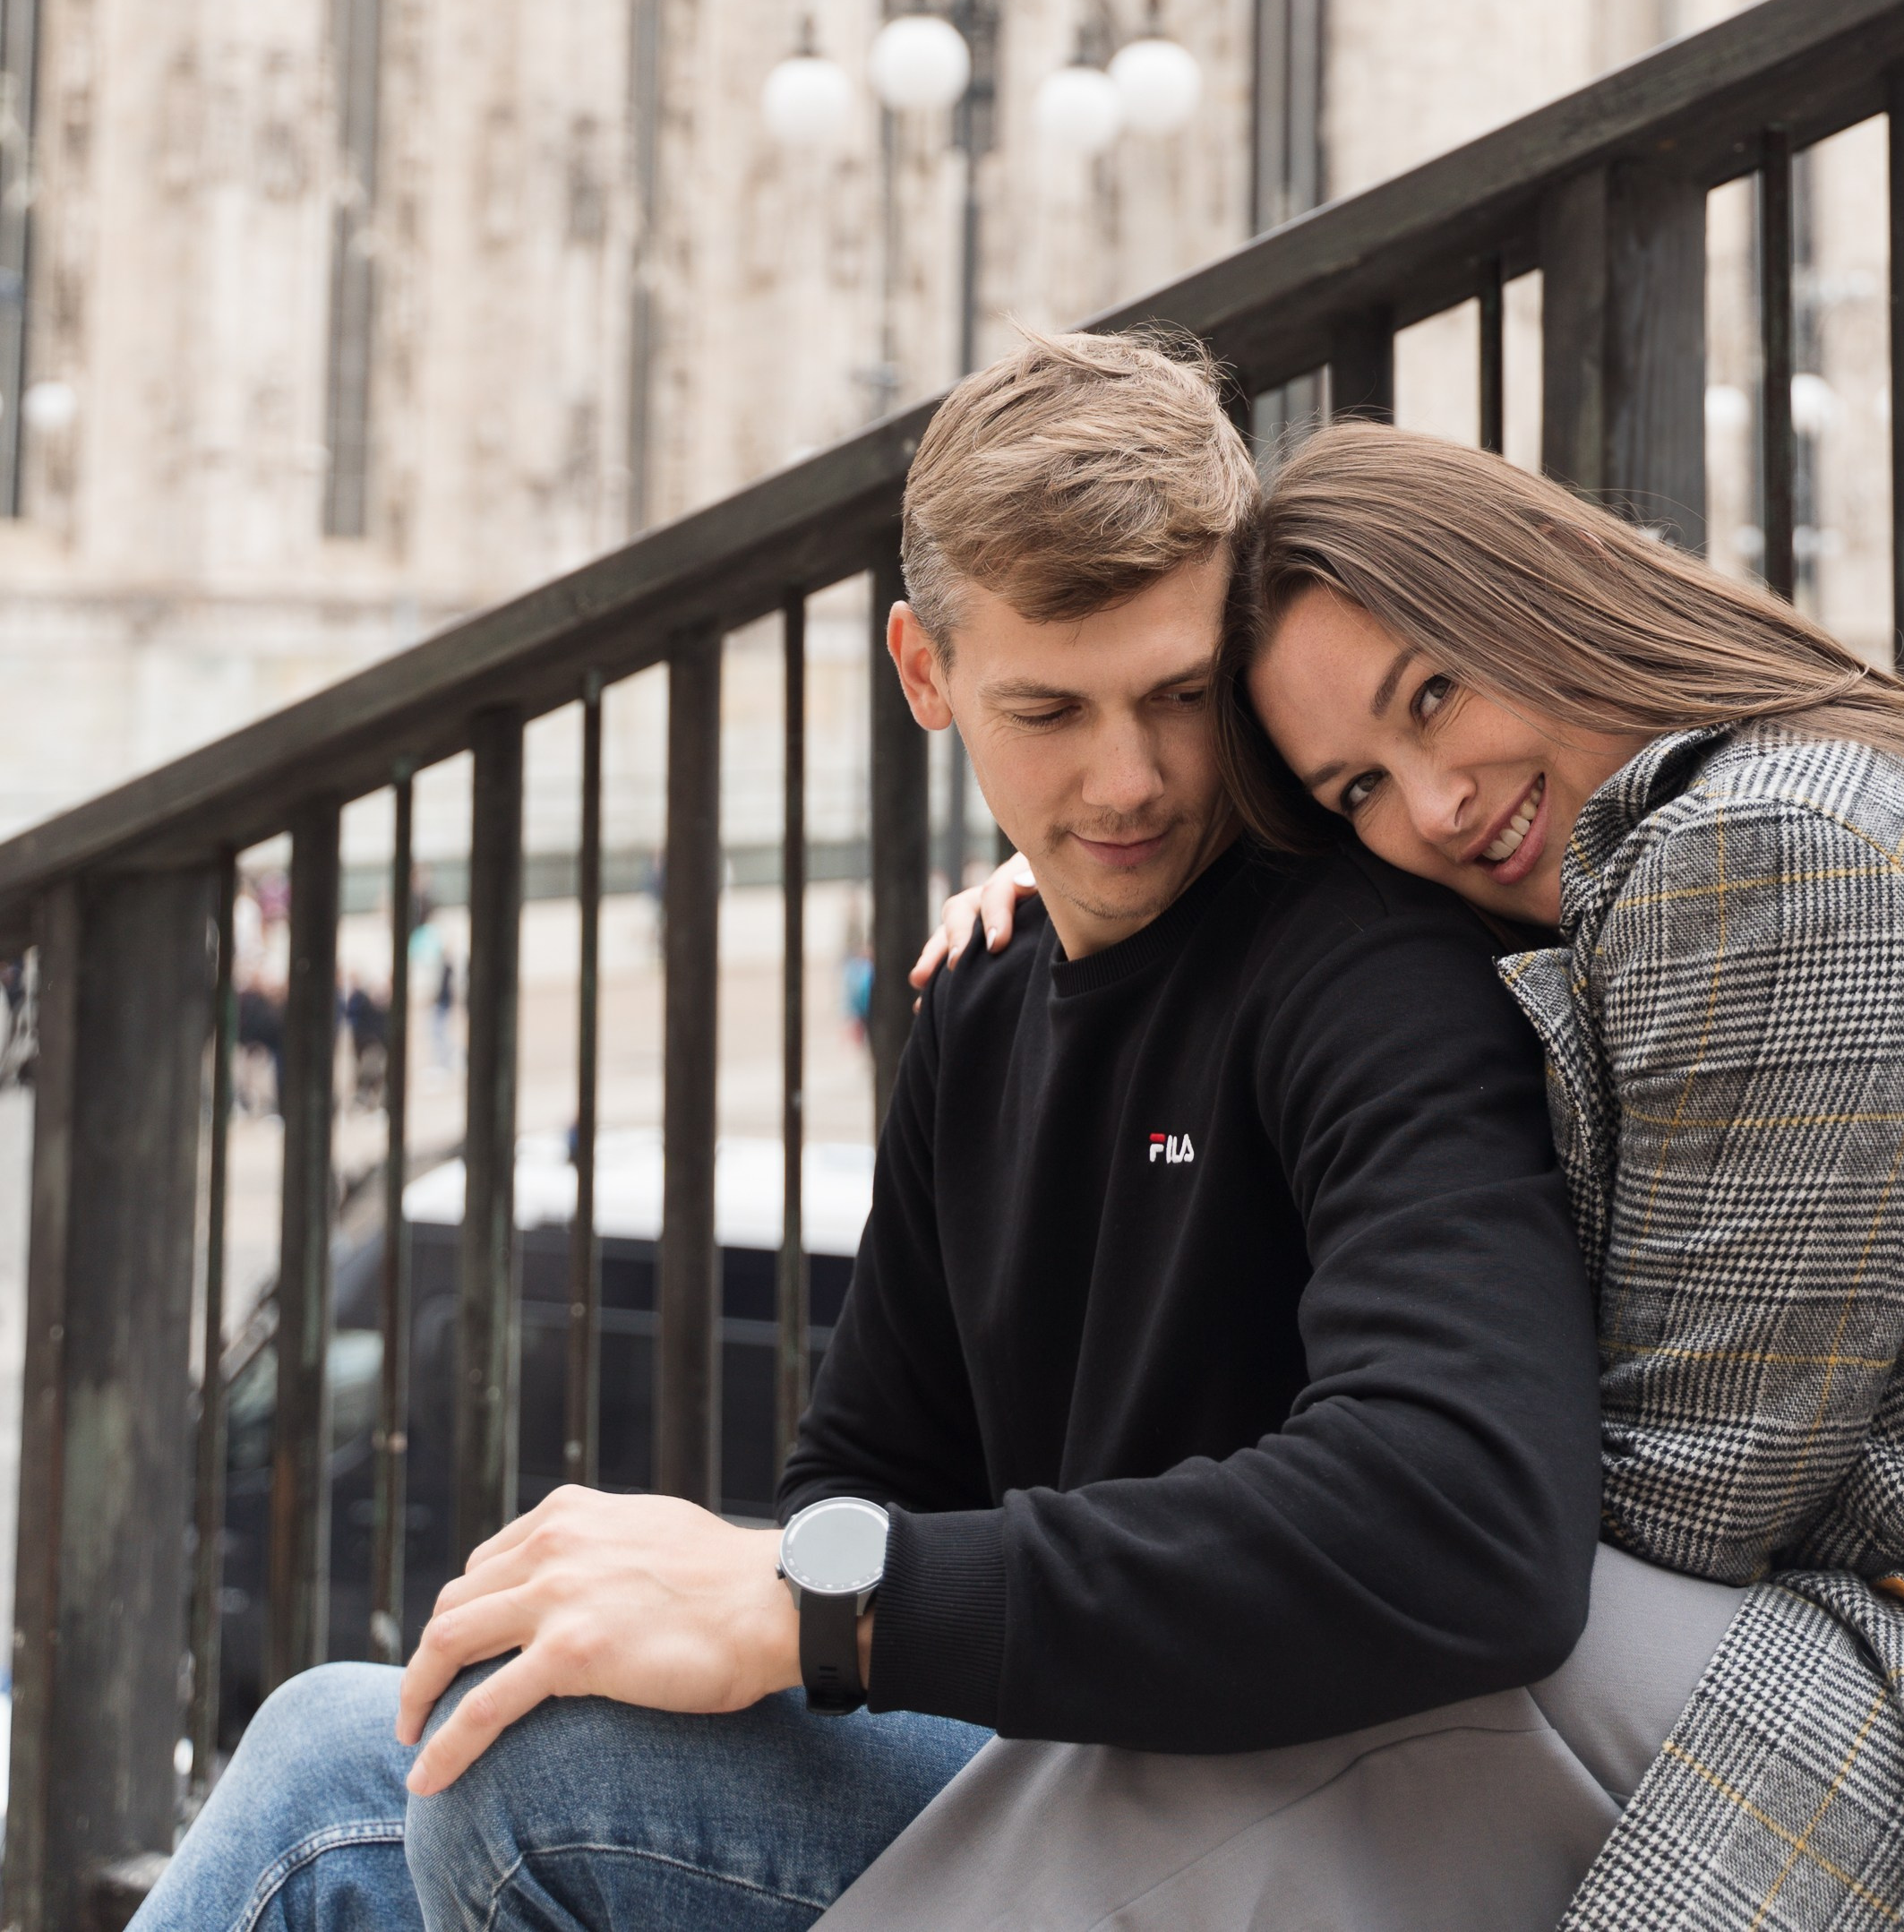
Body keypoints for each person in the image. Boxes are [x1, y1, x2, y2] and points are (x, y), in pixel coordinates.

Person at [138, 335, 1646, 1932]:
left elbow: (1471, 1513)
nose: (1127, 777)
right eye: (1049, 708)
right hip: (1062, 1761)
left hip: (1299, 1795)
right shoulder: (982, 1001)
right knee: (333, 1739)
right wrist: (728, 1590)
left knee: (536, 1776)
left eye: (1182, 696)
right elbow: (861, 1475)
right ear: (925, 674)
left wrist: (825, 1600)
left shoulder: (1370, 970)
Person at [935, 418, 1904, 1931]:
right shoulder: (1744, 816)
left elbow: (1671, 1501)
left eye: (1435, 693)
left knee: (1433, 1603)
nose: (1432, 805)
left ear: (1540, 599)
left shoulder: (1778, 855)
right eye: (1356, 786)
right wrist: (1122, 866)